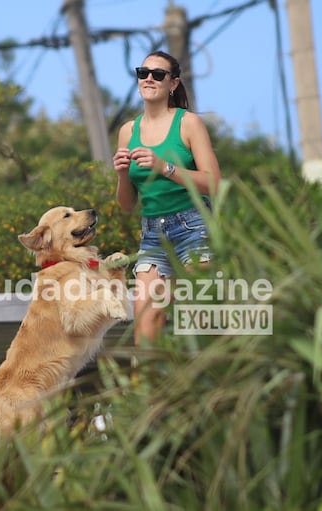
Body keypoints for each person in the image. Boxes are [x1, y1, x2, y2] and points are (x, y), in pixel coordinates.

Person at [112, 50, 222, 344]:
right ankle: (150, 390)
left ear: (172, 84)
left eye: (158, 74)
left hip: (194, 228)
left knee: (198, 319)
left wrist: (165, 167)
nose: (149, 78)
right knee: (145, 332)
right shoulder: (127, 131)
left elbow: (214, 184)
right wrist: (122, 174)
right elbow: (127, 204)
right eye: (143, 72)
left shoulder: (188, 124)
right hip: (152, 235)